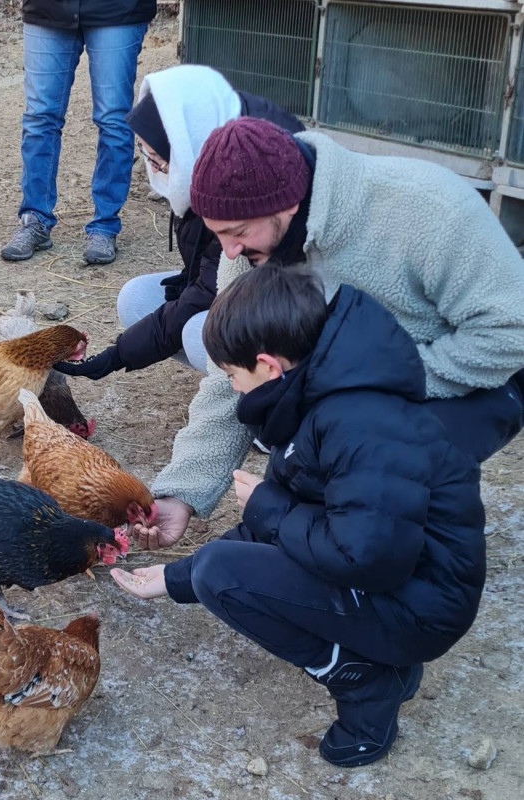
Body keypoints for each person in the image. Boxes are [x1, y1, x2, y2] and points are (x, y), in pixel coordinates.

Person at [112, 266, 487, 768]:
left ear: (267, 365)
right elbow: (288, 519)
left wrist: (264, 511)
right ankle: (387, 660)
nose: (233, 389)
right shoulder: (319, 395)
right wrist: (178, 577)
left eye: (230, 377)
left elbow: (367, 558)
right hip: (404, 586)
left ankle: (368, 680)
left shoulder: (362, 424)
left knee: (221, 574)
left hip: (421, 605)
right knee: (214, 568)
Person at [127, 116, 524, 551]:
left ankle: (407, 562)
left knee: (354, 452)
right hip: (347, 385)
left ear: (289, 205)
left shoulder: (426, 209)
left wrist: (360, 387)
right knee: (306, 454)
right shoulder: (246, 249)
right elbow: (230, 375)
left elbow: (510, 330)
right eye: (218, 234)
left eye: (237, 233)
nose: (229, 251)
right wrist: (183, 490)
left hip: (475, 382)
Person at [53, 65, 304, 377]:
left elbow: (211, 289)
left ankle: (256, 383)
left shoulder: (244, 174)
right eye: (147, 157)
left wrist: (117, 356)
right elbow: (210, 277)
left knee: (200, 333)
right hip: (234, 288)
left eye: (160, 160)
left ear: (184, 144)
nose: (156, 170)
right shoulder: (200, 136)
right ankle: (238, 376)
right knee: (136, 298)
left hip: (286, 307)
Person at [0, 0, 157, 266]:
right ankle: (35, 219)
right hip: (47, 8)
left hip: (117, 10)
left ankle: (105, 226)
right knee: (39, 117)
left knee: (113, 119)